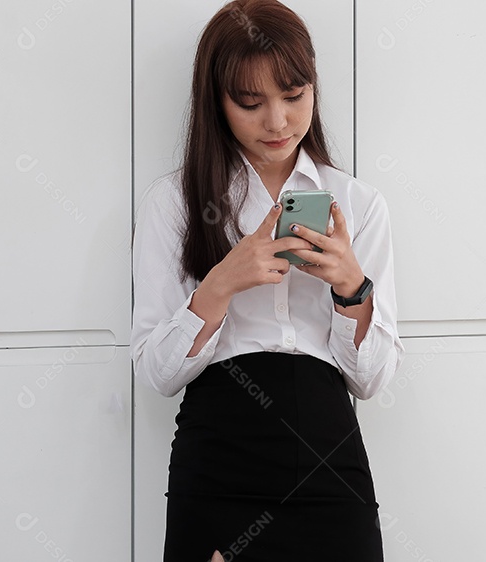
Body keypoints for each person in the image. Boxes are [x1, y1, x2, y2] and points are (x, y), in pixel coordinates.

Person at [129, 1, 403, 560]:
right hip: (220, 463)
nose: (277, 122)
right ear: (217, 102)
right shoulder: (173, 202)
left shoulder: (359, 203)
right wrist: (220, 285)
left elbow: (371, 382)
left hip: (331, 462)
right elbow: (157, 373)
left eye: (294, 96)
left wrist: (354, 288)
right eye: (250, 103)